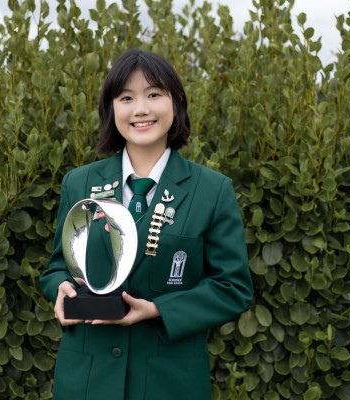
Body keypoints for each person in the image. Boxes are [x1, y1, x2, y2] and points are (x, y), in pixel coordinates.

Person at [39, 49, 253, 400]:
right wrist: (60, 288)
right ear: (111, 109)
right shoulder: (79, 184)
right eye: (126, 97)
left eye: (154, 94)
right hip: (86, 381)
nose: (140, 109)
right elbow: (57, 268)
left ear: (177, 102)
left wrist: (157, 310)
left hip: (169, 383)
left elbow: (233, 288)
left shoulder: (212, 191)